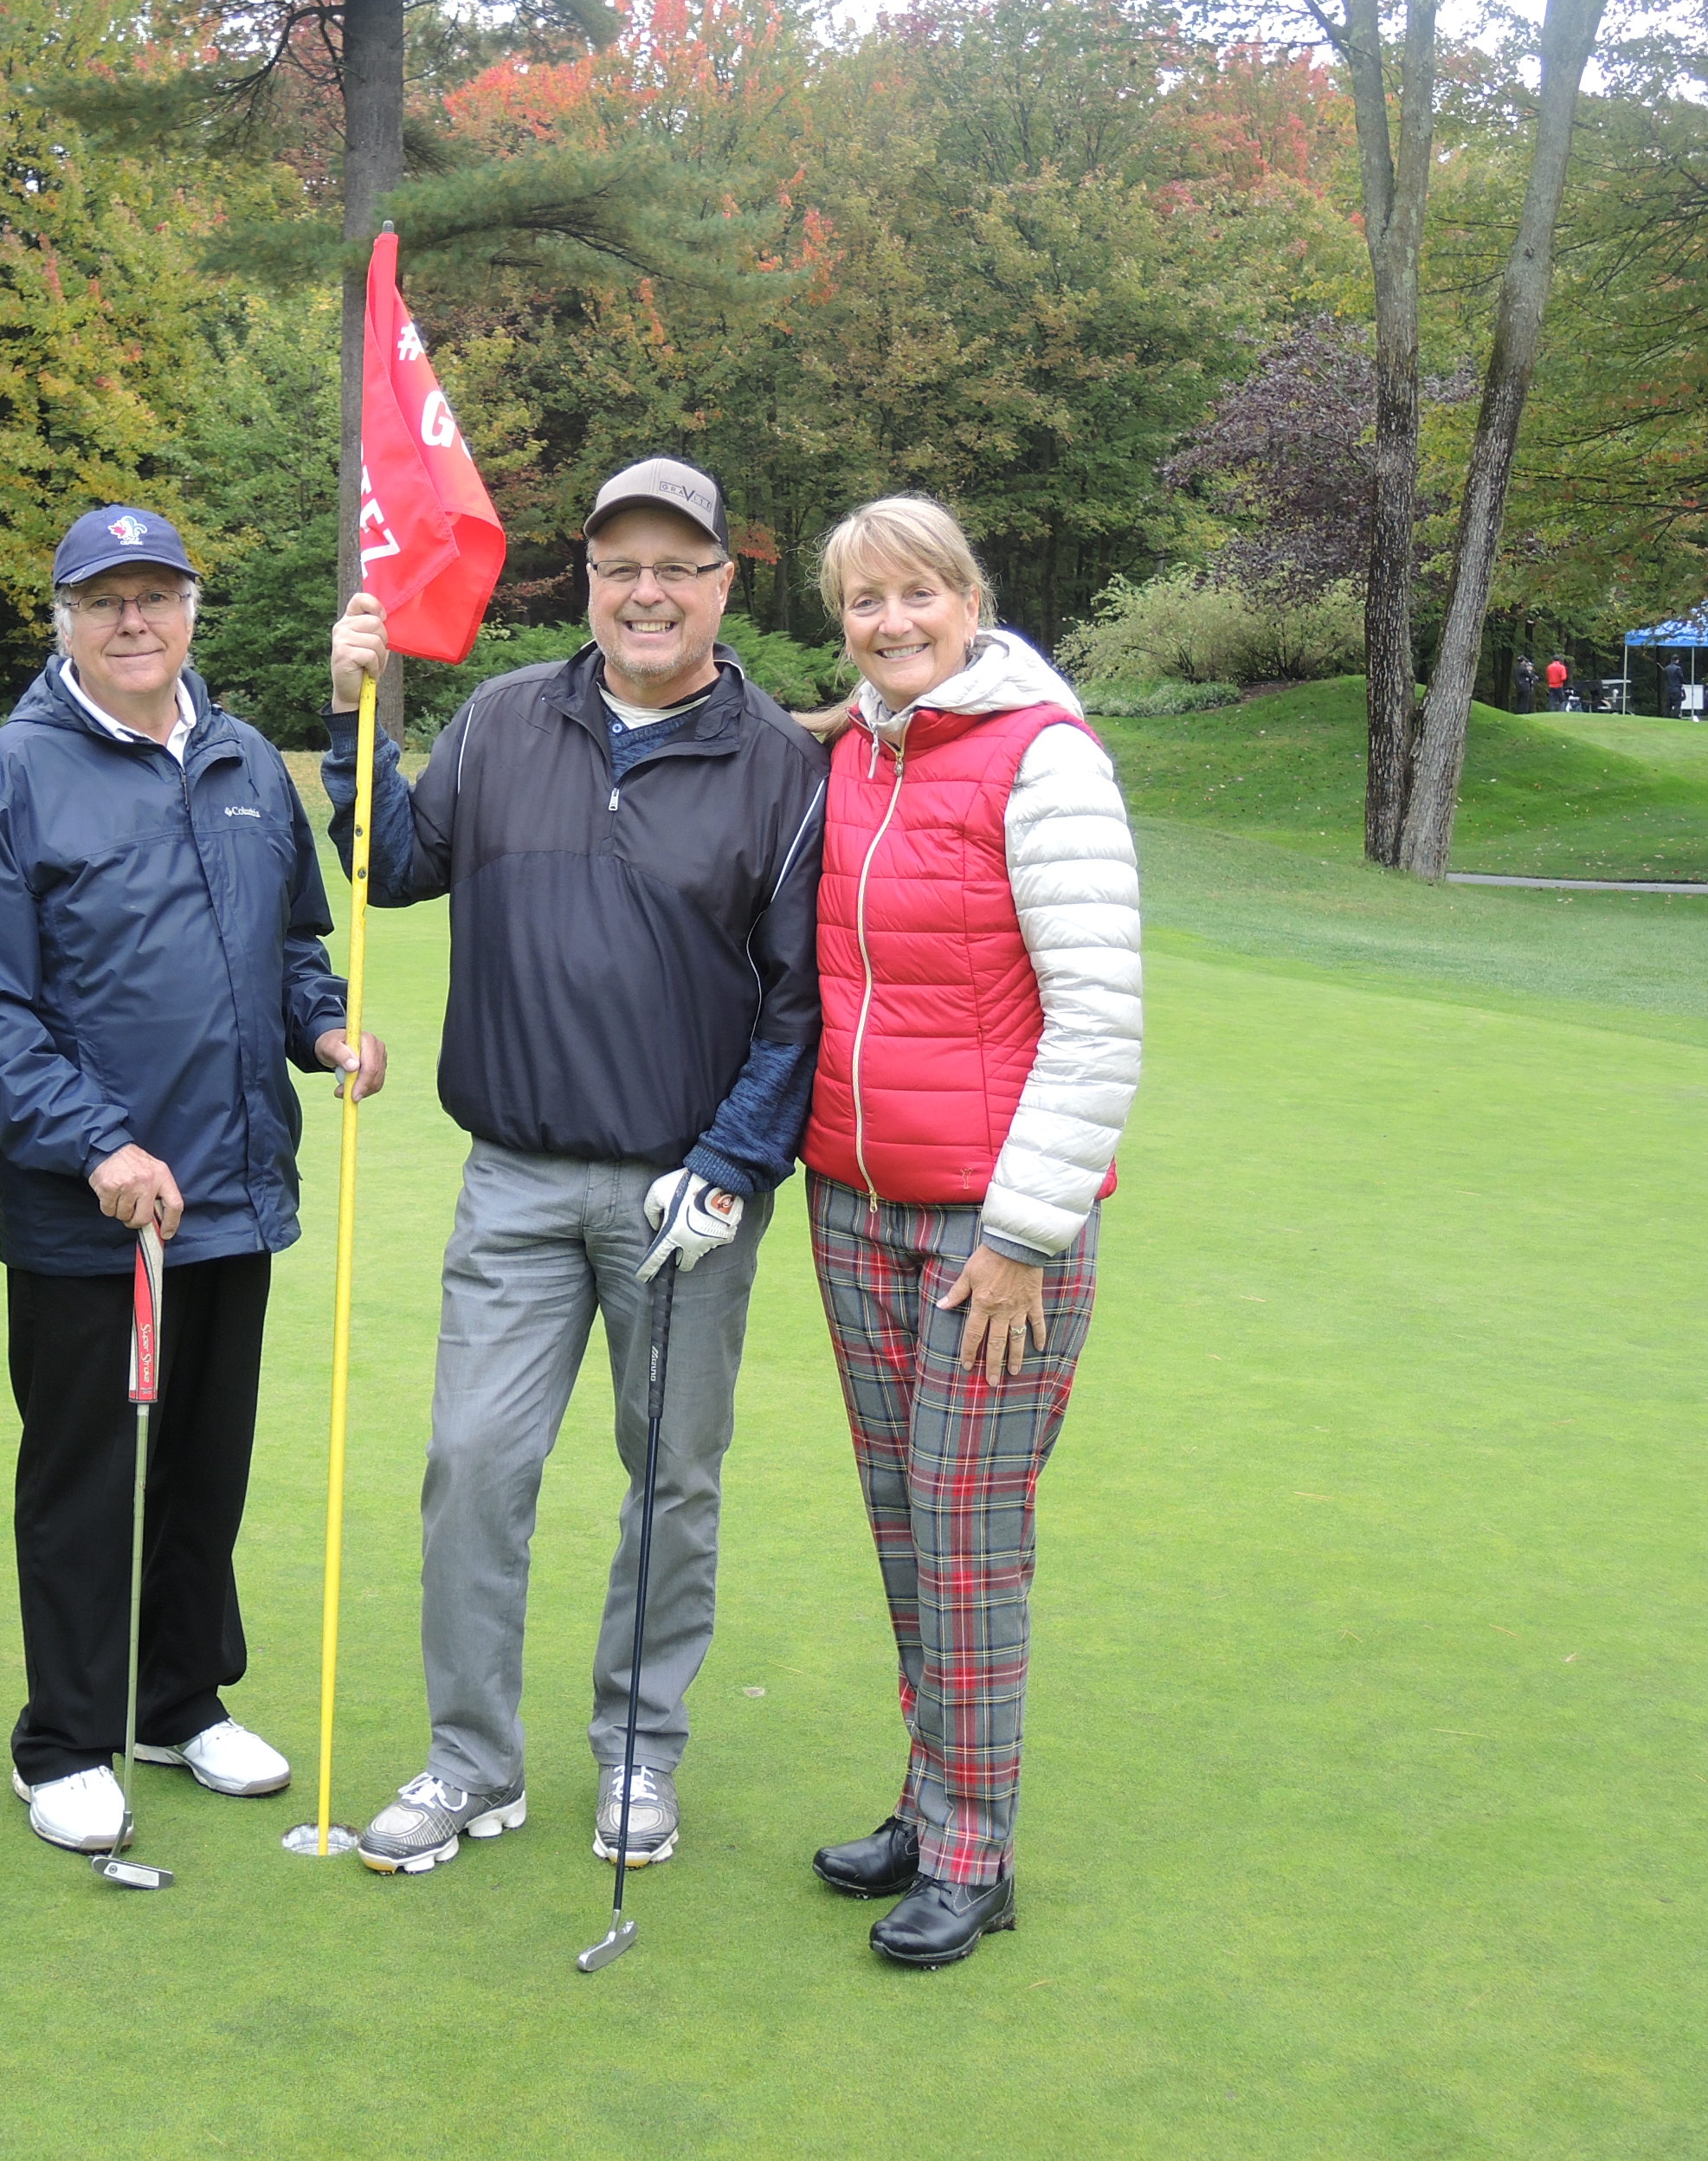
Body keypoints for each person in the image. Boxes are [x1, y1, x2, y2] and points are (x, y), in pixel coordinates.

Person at [325, 457, 828, 1878]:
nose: (647, 592)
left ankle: (638, 1757)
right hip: (518, 1180)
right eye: (622, 568)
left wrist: (730, 1163)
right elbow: (386, 862)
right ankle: (473, 1762)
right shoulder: (499, 721)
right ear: (589, 584)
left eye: (679, 567)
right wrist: (349, 711)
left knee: (670, 1477)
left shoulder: (780, 764)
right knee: (473, 1465)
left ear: (725, 585)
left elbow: (798, 1004)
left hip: (689, 1195)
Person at [0, 506, 386, 1856]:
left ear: (193, 608)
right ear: (62, 618)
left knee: (204, 1463)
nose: (135, 622)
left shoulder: (247, 758)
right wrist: (95, 1144)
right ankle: (63, 1740)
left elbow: (298, 940)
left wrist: (323, 1024)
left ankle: (177, 1701)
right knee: (86, 1473)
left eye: (158, 596)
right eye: (105, 599)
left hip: (234, 1191)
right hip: (98, 1207)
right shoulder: (11, 777)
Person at [794, 497, 1140, 1970]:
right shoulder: (858, 750)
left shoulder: (1044, 759)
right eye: (864, 602)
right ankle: (931, 1806)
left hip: (990, 1232)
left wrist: (1024, 1233)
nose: (892, 622)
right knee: (903, 1533)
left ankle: (976, 1856)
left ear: (969, 596)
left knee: (967, 1539)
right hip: (852, 1201)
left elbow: (1099, 1021)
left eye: (916, 593)